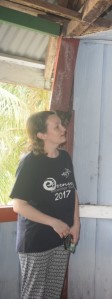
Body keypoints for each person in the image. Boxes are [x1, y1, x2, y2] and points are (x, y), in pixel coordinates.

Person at [10, 111, 80, 298]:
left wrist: (76, 224)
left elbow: (72, 191)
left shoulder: (64, 157)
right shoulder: (30, 162)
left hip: (61, 238)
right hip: (36, 241)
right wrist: (53, 222)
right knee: (35, 294)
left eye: (61, 125)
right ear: (41, 134)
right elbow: (19, 205)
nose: (63, 129)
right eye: (56, 126)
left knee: (52, 293)